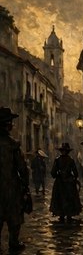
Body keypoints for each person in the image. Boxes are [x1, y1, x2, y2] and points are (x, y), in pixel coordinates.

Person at [0, 107, 29, 251]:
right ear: (7, 125)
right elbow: (22, 168)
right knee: (14, 216)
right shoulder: (13, 145)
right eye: (10, 122)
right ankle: (13, 242)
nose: (12, 124)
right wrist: (25, 185)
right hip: (11, 186)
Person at [50, 143, 82, 223]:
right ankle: (67, 214)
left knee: (62, 198)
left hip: (61, 182)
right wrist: (73, 178)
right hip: (67, 183)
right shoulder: (70, 160)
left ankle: (63, 215)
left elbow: (53, 173)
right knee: (67, 198)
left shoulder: (58, 160)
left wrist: (58, 174)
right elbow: (75, 173)